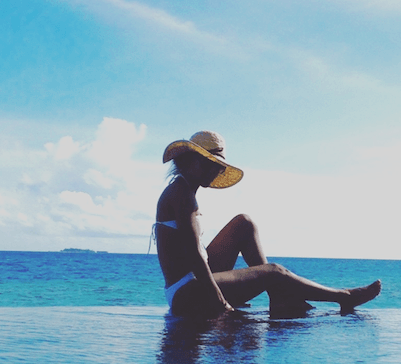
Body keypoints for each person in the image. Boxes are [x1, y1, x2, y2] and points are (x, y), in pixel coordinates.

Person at [154, 131, 381, 317]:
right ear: (193, 162)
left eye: (220, 166)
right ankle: (344, 297)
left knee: (244, 223)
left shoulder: (183, 190)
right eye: (214, 165)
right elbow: (194, 255)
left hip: (192, 284)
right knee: (274, 271)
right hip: (188, 294)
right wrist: (220, 301)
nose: (218, 171)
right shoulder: (182, 194)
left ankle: (278, 298)